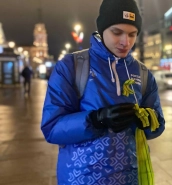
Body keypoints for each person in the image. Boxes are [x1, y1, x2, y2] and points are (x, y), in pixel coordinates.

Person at [40, 0, 165, 184]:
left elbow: (158, 125)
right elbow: (51, 128)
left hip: (129, 178)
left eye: (132, 34)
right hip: (81, 178)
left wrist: (146, 121)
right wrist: (95, 119)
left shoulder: (143, 73)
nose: (126, 42)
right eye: (117, 32)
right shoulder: (71, 66)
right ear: (102, 28)